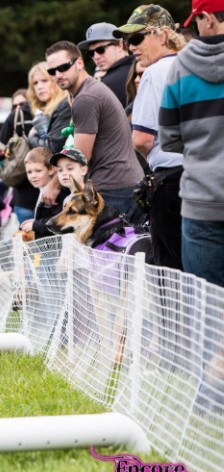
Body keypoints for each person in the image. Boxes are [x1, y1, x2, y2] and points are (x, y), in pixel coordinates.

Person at [114, 4, 185, 271]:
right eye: (127, 40)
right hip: (207, 175)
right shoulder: (197, 65)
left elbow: (142, 139)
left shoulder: (155, 73)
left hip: (171, 181)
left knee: (170, 269)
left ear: (163, 35)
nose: (131, 47)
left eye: (137, 38)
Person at [159, 0, 224, 286]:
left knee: (206, 302)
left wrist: (202, 150)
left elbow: (168, 139)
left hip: (201, 199)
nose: (197, 27)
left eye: (197, 20)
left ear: (208, 18)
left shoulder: (180, 66)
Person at [43, 41, 144, 222]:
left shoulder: (86, 98)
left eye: (64, 67)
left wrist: (54, 185)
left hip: (114, 189)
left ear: (79, 63)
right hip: (123, 185)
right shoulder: (90, 90)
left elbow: (80, 158)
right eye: (52, 71)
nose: (58, 75)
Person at [0, 89, 37, 225]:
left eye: (23, 104)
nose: (19, 108)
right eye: (15, 106)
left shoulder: (43, 117)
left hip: (46, 196)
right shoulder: (46, 117)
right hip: (23, 197)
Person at [77, 23, 135, 107]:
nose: (96, 57)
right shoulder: (137, 66)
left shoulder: (108, 83)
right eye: (91, 53)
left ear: (119, 45)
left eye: (101, 50)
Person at [18, 147, 70, 240]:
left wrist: (35, 225)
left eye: (38, 171)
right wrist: (36, 221)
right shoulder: (42, 188)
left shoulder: (58, 194)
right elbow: (48, 217)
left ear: (51, 169)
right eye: (29, 172)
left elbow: (61, 222)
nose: (33, 176)